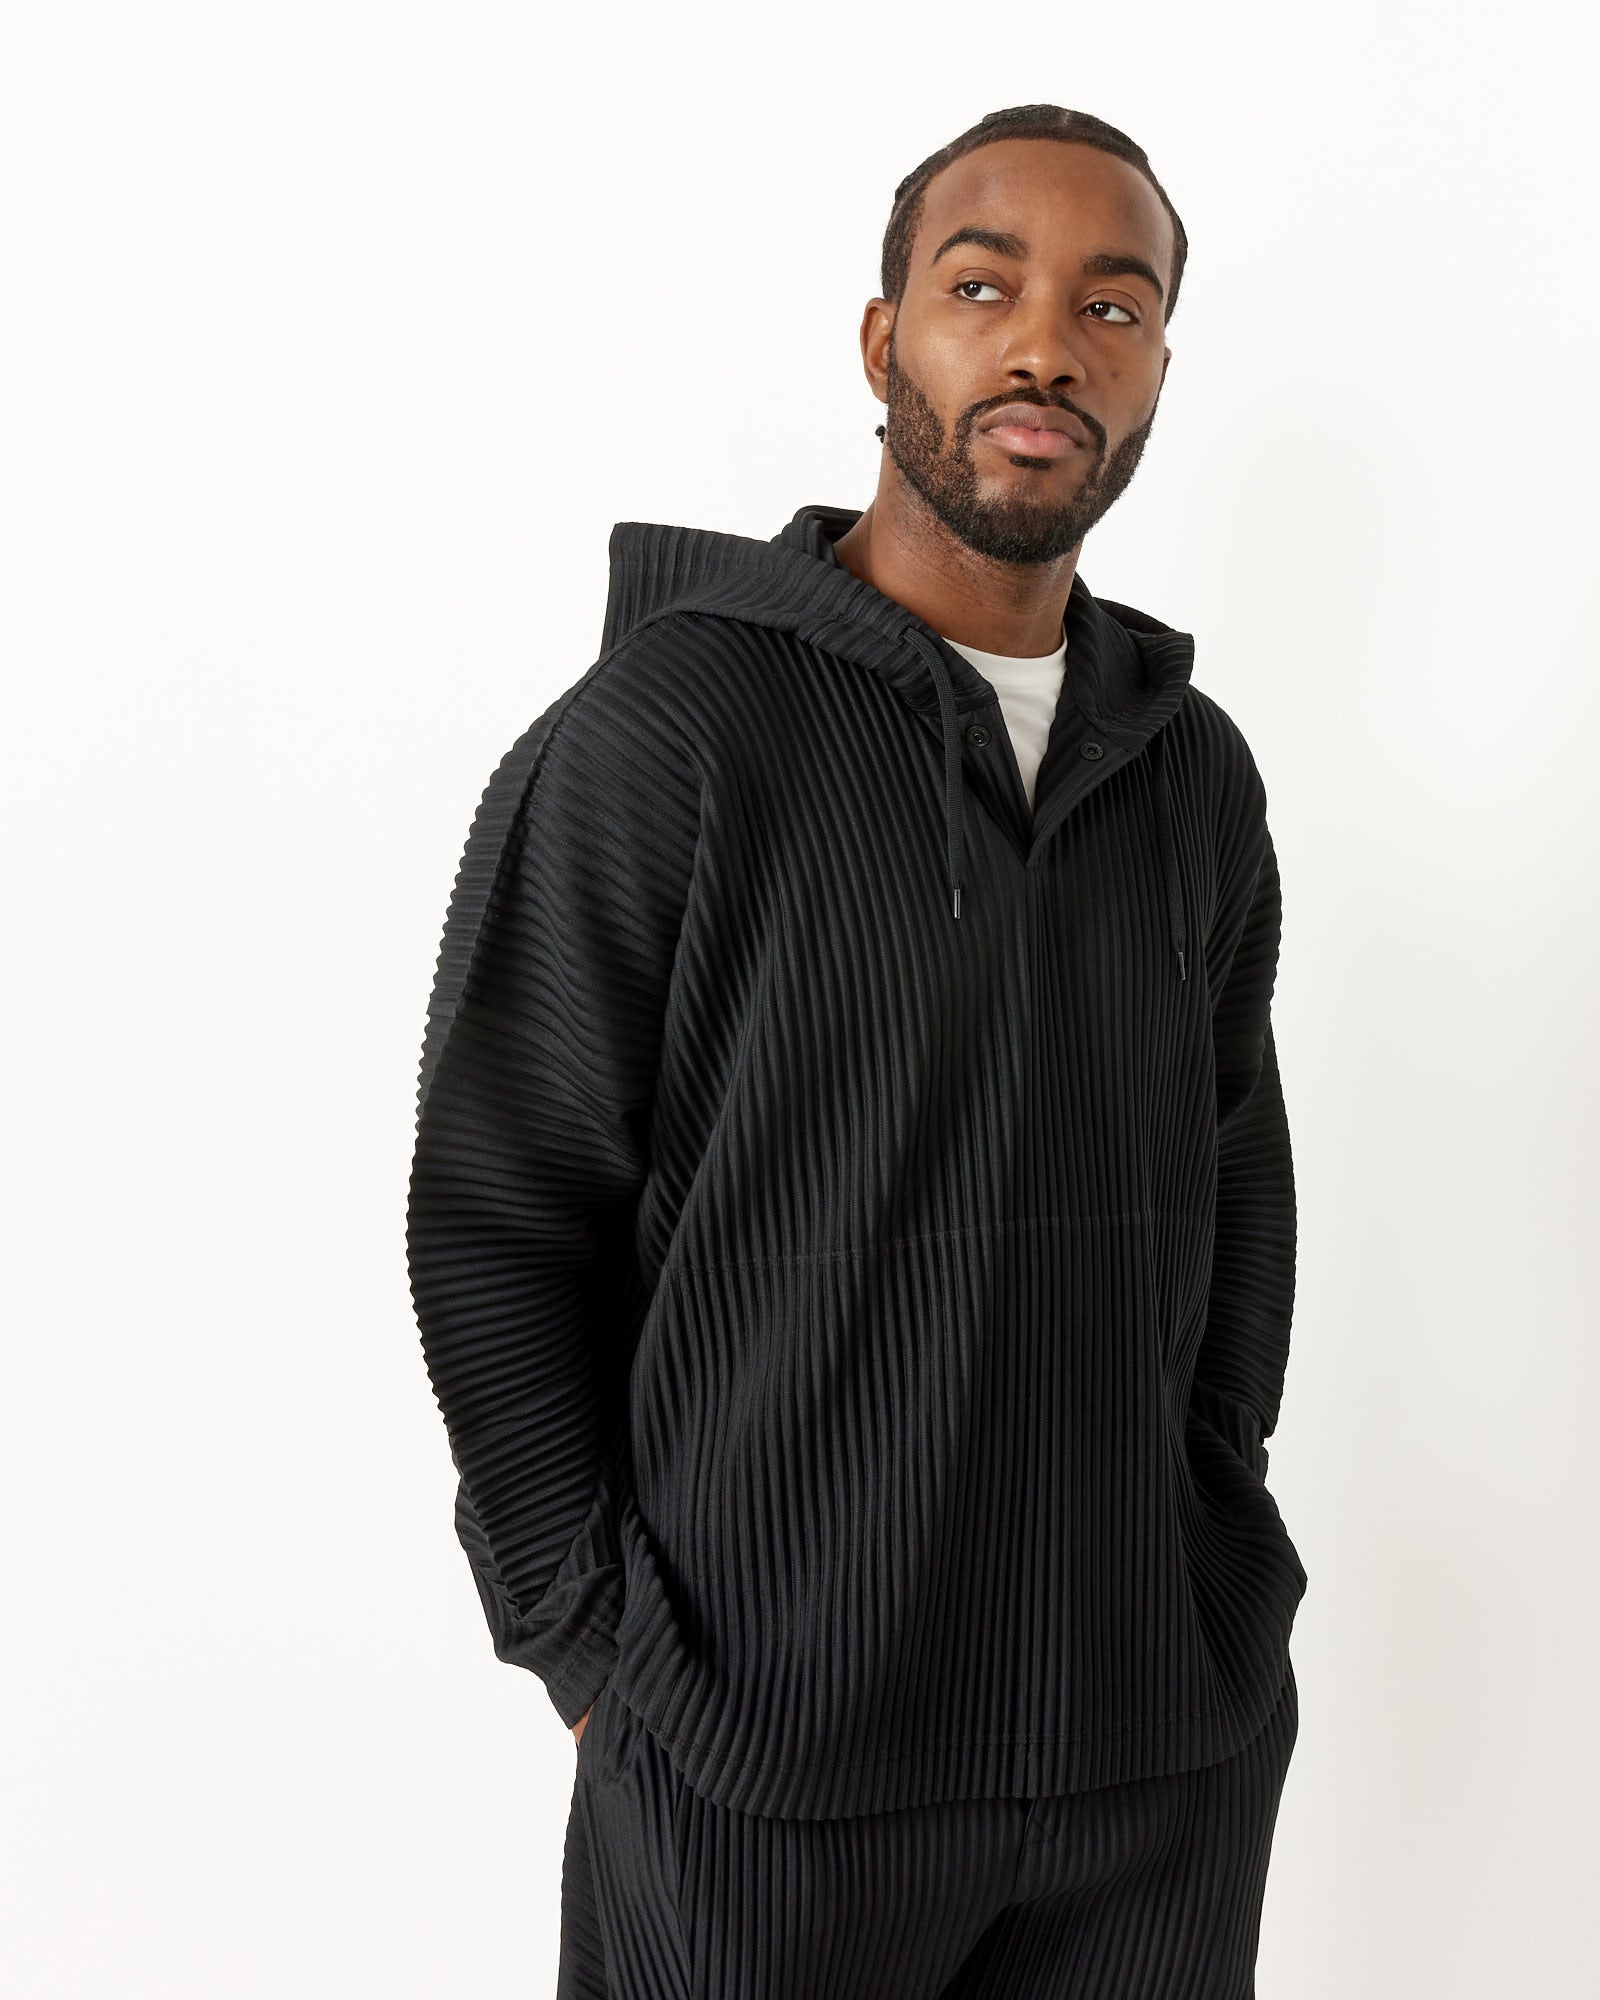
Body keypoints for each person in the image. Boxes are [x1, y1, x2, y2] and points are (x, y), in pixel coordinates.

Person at [407, 101, 1307, 1999]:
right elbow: (502, 1213)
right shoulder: (666, 736)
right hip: (761, 1782)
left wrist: (1213, 1544)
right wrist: (600, 1657)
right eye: (984, 288)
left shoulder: (1193, 776)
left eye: (1112, 305)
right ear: (886, 339)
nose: (1047, 346)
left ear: (1157, 371)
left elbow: (1236, 1177)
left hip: (1153, 1763)